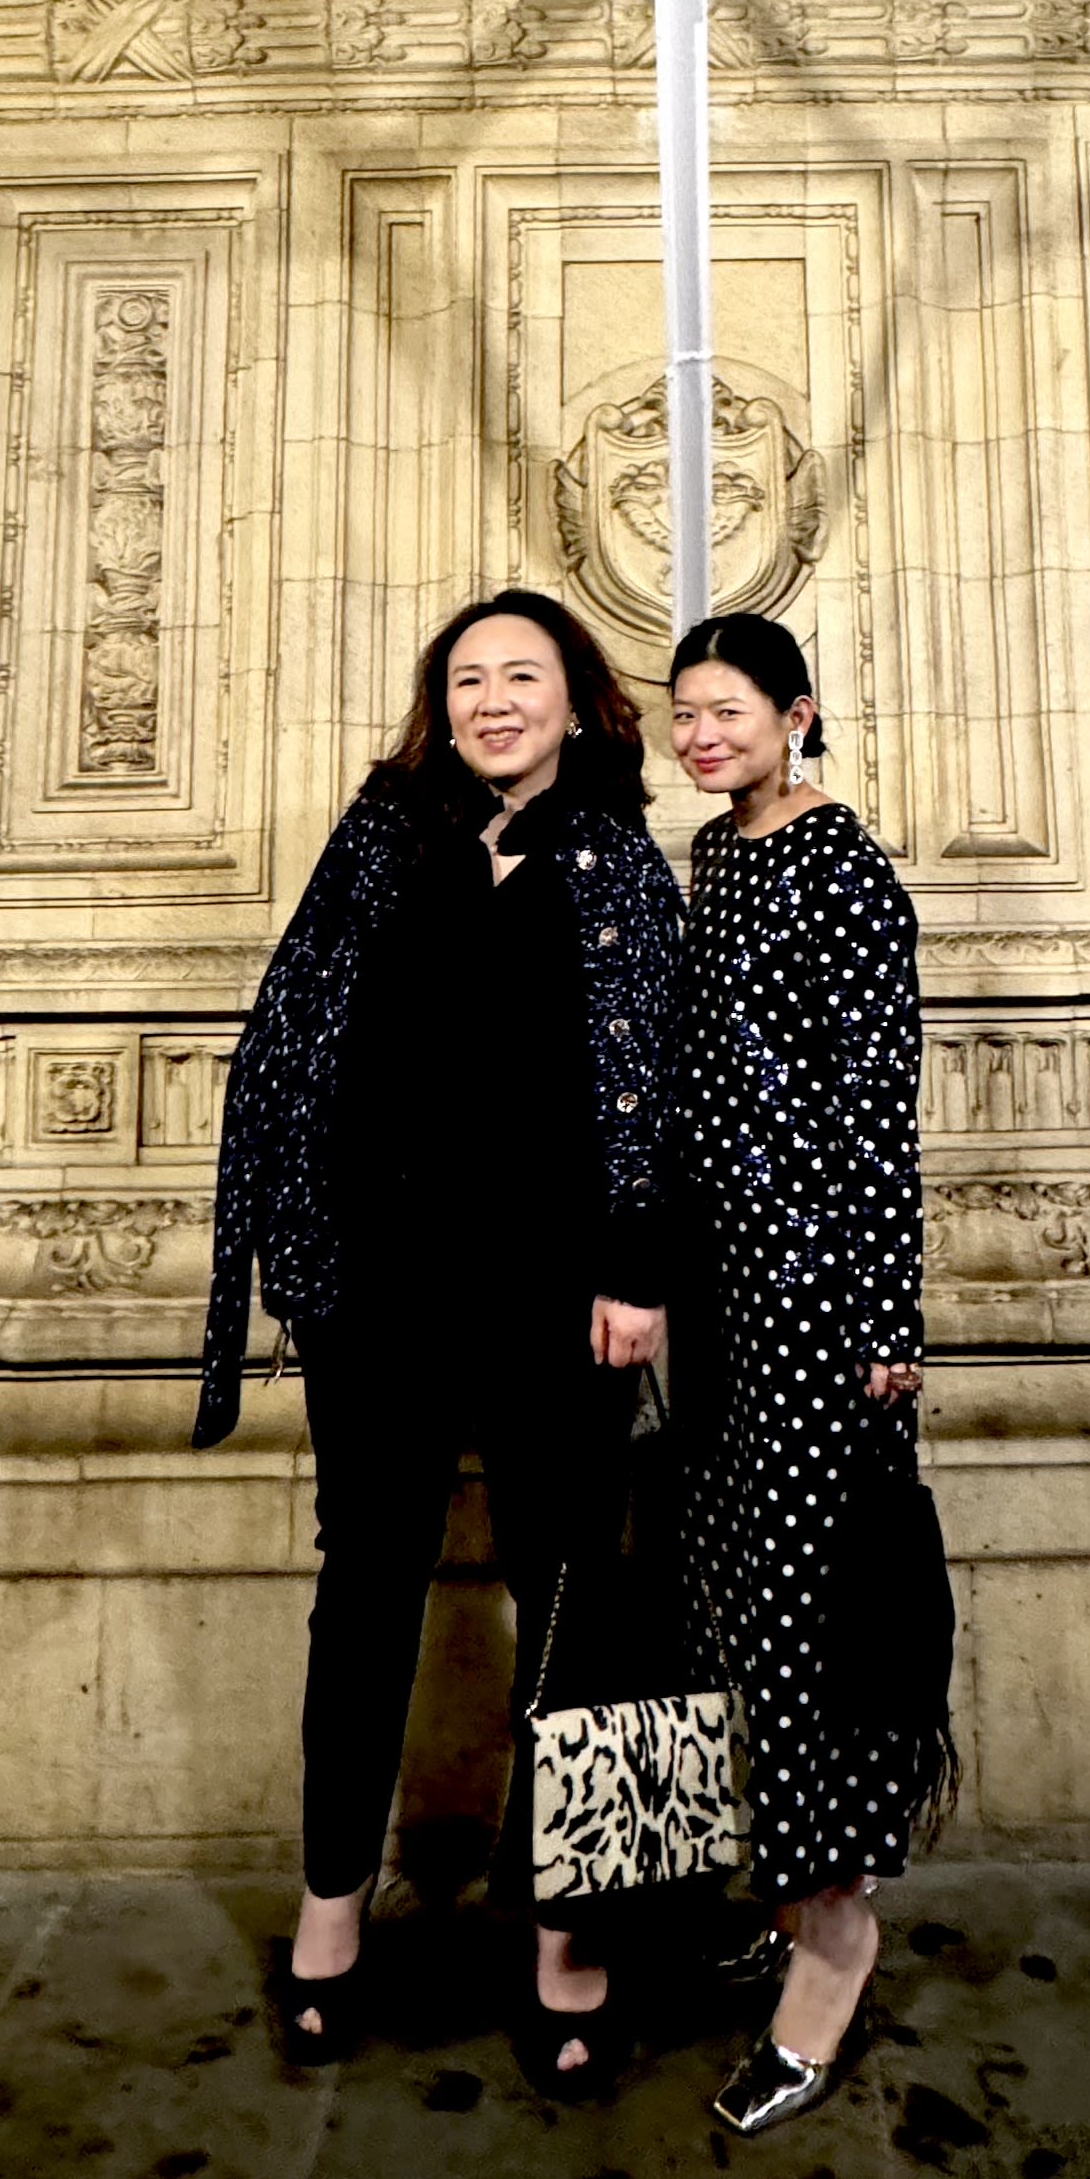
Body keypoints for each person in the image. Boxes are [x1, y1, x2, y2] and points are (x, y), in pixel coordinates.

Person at [193, 590, 682, 2086]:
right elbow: (293, 1023)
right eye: (466, 679)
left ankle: (566, 1932)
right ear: (441, 704)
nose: (490, 700)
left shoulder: (618, 860)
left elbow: (653, 1082)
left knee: (568, 1601)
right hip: (383, 1287)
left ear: (577, 698)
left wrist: (635, 1266)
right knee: (367, 1590)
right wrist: (295, 1227)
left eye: (518, 676)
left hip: (557, 1293)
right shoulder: (379, 833)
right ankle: (331, 1907)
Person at [666, 612, 958, 2135]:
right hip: (713, 1299)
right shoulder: (718, 856)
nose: (702, 736)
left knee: (806, 1628)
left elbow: (872, 1106)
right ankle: (794, 1888)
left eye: (729, 711)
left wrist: (882, 1327)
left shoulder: (841, 868)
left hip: (810, 1309)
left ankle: (833, 1945)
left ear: (797, 715)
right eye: (684, 714)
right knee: (736, 1600)